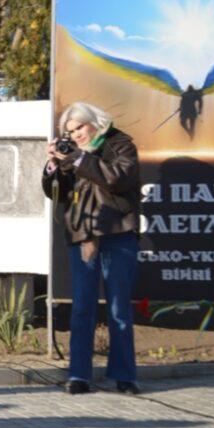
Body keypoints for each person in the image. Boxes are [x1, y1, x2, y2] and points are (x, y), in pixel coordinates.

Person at [42, 102, 141, 396]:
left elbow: (116, 179)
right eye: (70, 132)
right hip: (82, 236)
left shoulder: (120, 145)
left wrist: (80, 159)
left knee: (118, 308)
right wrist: (53, 165)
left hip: (117, 234)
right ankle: (79, 375)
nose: (75, 135)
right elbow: (54, 193)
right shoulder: (71, 155)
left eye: (79, 128)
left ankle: (125, 376)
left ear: (94, 123)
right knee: (82, 308)